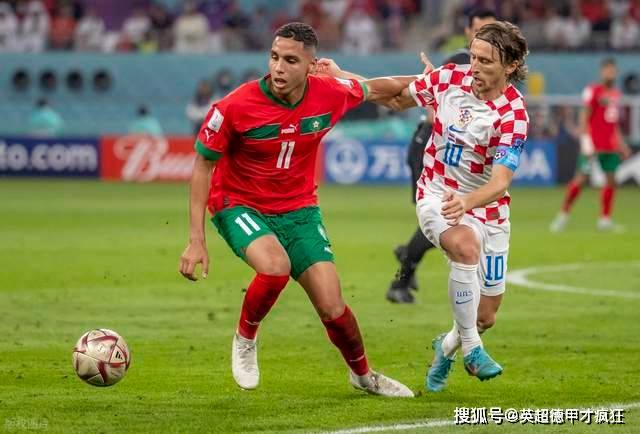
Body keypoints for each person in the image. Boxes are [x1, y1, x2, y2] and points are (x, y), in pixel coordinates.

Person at [179, 22, 417, 397]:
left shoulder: (330, 92)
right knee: (275, 267)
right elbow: (202, 165)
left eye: (290, 60)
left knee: (333, 306)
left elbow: (380, 87)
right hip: (239, 203)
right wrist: (197, 240)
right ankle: (245, 339)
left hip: (300, 209)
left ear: (311, 66)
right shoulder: (234, 106)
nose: (278, 67)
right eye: (274, 57)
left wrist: (439, 82)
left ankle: (363, 375)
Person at [319, 20, 529, 391]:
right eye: (473, 57)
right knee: (465, 247)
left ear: (511, 66)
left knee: (486, 316)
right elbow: (394, 93)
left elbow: (500, 182)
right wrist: (341, 76)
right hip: (436, 194)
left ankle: (446, 348)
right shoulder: (450, 78)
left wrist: (467, 201)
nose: (474, 67)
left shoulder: (513, 114)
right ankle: (473, 350)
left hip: (487, 209)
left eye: (485, 61)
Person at [386, 8, 498, 304]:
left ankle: (404, 267)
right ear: (468, 33)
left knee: (447, 219)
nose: (487, 38)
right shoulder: (460, 61)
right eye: (481, 31)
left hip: (455, 149)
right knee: (440, 218)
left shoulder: (492, 67)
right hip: (433, 144)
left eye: (493, 31)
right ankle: (401, 276)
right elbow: (435, 110)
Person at [550, 58, 631, 232]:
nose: (610, 73)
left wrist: (621, 144)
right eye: (607, 70)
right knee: (580, 179)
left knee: (611, 181)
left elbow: (613, 123)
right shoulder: (593, 91)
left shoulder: (615, 94)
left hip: (610, 146)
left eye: (613, 71)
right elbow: (584, 117)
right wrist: (586, 142)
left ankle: (605, 219)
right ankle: (562, 216)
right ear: (602, 72)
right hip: (593, 145)